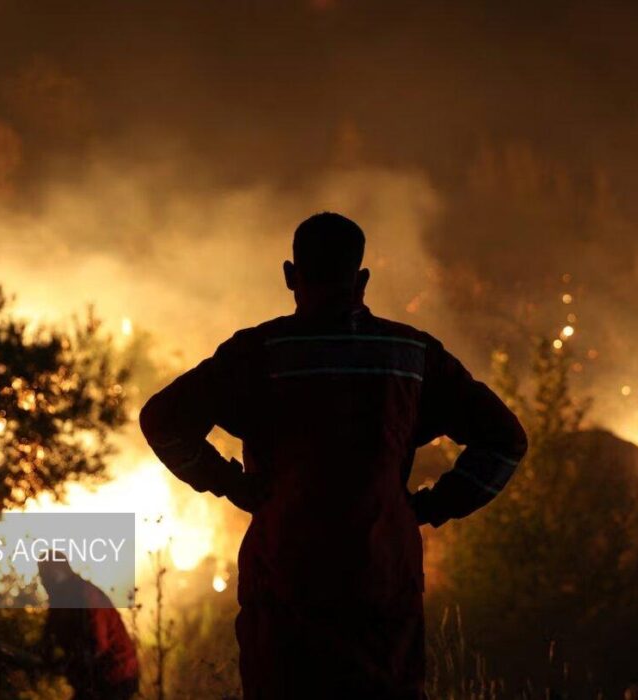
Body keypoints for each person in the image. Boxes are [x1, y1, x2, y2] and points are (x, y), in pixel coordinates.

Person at [140, 212, 528, 698]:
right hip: (383, 582)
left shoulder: (257, 354)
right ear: (361, 278)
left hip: (285, 583)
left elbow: (162, 421)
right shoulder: (412, 356)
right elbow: (506, 441)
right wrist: (430, 507)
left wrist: (232, 484)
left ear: (290, 274)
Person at [37, 559, 139, 700]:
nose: (42, 582)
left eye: (44, 575)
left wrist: (68, 664)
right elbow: (49, 636)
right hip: (99, 677)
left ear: (57, 573)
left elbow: (97, 645)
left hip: (116, 676)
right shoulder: (61, 598)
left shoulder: (85, 596)